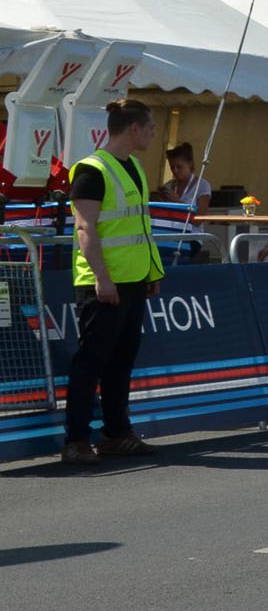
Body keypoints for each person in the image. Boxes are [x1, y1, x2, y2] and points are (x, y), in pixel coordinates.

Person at [60, 99, 166, 465]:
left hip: (133, 279)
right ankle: (76, 440)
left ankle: (116, 433)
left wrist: (151, 272)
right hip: (103, 282)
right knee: (91, 362)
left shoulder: (134, 166)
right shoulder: (92, 170)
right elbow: (85, 228)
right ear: (134, 128)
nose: (153, 134)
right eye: (150, 128)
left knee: (121, 361)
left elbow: (139, 226)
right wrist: (102, 279)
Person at [154, 140, 214, 261]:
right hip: (170, 234)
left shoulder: (202, 185)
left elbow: (199, 219)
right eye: (172, 167)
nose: (175, 171)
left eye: (179, 167)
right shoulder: (168, 186)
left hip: (192, 237)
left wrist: (177, 203)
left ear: (190, 164)